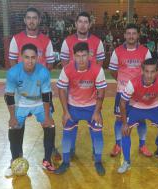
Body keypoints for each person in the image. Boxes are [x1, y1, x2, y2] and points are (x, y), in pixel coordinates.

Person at [4, 43, 57, 177]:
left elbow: (46, 96)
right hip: (22, 102)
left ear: (37, 57)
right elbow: (9, 96)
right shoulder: (13, 73)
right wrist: (12, 117)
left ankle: (47, 160)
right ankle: (15, 160)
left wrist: (47, 116)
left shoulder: (43, 72)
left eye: (33, 57)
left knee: (50, 125)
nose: (30, 61)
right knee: (14, 127)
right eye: (27, 57)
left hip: (39, 101)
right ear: (21, 57)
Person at [117, 58, 158, 175]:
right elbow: (122, 102)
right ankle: (126, 163)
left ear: (157, 72)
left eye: (153, 71)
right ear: (142, 71)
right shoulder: (133, 83)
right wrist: (124, 124)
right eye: (147, 71)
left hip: (154, 107)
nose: (149, 75)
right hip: (136, 106)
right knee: (125, 131)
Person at [55, 42, 106, 176]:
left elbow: (101, 93)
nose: (81, 59)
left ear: (89, 55)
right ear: (73, 56)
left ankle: (98, 161)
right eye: (78, 56)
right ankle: (65, 162)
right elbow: (61, 90)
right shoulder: (67, 69)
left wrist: (97, 112)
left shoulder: (97, 69)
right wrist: (65, 112)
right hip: (73, 107)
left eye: (84, 55)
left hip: (91, 107)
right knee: (67, 133)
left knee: (97, 132)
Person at [108, 23, 153, 157]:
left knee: (141, 120)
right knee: (119, 119)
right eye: (129, 33)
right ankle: (118, 145)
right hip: (122, 92)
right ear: (124, 35)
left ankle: (142, 145)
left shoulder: (145, 51)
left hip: (140, 93)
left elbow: (149, 71)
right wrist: (123, 83)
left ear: (138, 35)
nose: (131, 36)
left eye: (134, 33)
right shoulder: (117, 51)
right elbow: (112, 71)